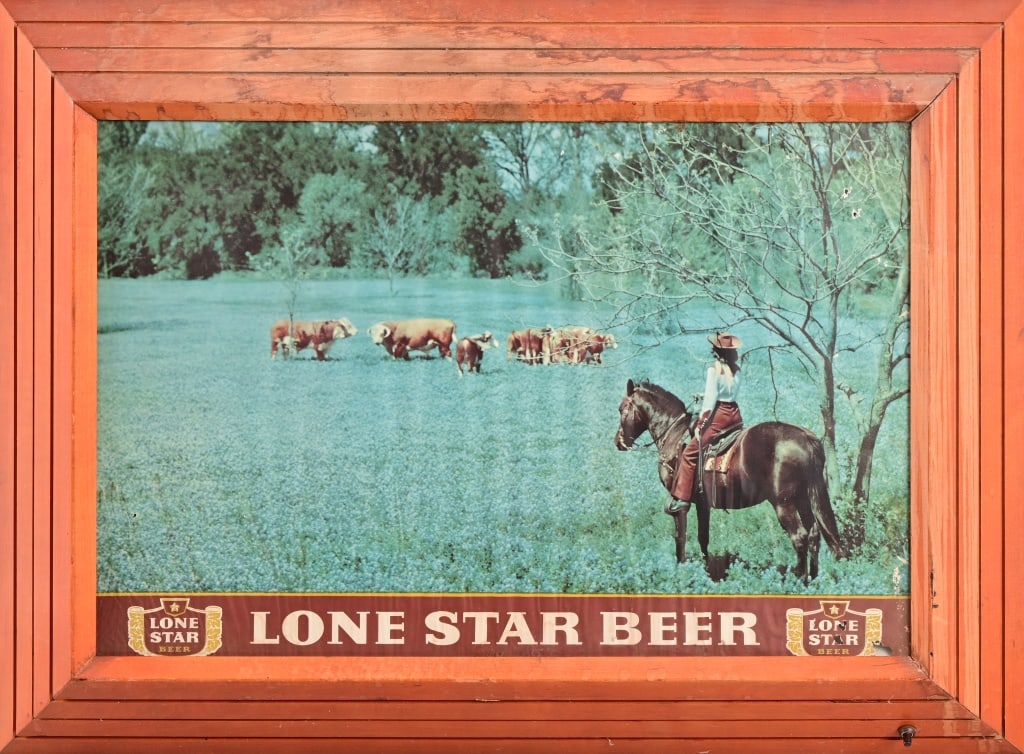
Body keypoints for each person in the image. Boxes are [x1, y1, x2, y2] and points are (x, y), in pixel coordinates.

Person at [668, 332, 744, 513]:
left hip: (719, 417)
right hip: (734, 414)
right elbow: (727, 395)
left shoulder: (713, 370)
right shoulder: (737, 370)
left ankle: (683, 499)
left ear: (716, 351)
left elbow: (711, 401)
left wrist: (701, 426)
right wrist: (703, 396)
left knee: (689, 454)